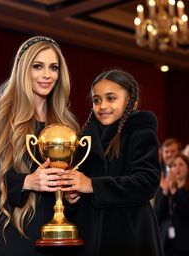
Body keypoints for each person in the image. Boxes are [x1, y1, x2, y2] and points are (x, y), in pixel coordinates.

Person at [0, 36, 79, 256]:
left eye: (53, 67)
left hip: (56, 243)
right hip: (6, 241)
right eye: (38, 66)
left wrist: (72, 196)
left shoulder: (67, 124)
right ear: (23, 69)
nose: (47, 74)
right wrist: (27, 181)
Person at [60, 69, 163, 256]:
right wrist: (70, 197)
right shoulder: (84, 139)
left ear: (131, 100)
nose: (102, 106)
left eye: (111, 98)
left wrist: (92, 185)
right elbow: (78, 189)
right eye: (96, 100)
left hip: (129, 236)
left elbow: (147, 182)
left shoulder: (140, 132)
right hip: (89, 236)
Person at [155, 154, 189, 256]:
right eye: (174, 165)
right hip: (166, 242)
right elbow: (157, 217)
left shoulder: (184, 191)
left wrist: (174, 191)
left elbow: (187, 211)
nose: (177, 168)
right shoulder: (166, 189)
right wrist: (165, 191)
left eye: (181, 165)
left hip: (185, 243)